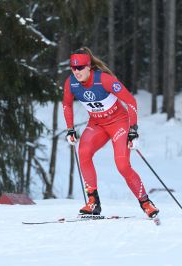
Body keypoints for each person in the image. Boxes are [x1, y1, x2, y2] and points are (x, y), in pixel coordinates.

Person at [62, 47, 159, 218]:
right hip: (97, 124)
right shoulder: (71, 83)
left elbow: (131, 101)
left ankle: (145, 203)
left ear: (89, 67)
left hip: (118, 123)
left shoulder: (103, 80)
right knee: (83, 152)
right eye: (73, 68)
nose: (76, 72)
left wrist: (133, 130)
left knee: (122, 165)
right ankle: (93, 203)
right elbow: (67, 105)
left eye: (80, 68)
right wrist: (70, 128)